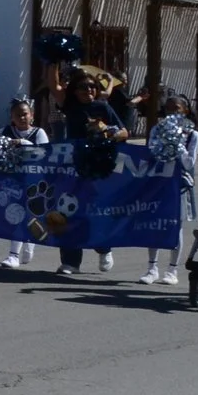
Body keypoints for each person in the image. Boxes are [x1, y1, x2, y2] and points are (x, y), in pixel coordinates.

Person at [53, 71, 127, 276]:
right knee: (67, 211)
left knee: (95, 210)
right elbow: (53, 85)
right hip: (73, 167)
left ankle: (104, 248)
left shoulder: (103, 107)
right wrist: (53, 59)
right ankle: (70, 262)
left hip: (98, 167)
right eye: (84, 87)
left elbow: (124, 133)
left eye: (92, 86)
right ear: (74, 91)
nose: (89, 90)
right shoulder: (70, 106)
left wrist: (106, 132)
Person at [140, 91, 198, 286]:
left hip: (180, 184)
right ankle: (152, 268)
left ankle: (172, 270)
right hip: (159, 182)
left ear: (186, 111)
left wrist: (178, 145)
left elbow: (190, 163)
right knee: (154, 224)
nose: (172, 113)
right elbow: (150, 155)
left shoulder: (193, 135)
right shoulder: (157, 130)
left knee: (176, 227)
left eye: (177, 109)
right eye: (168, 109)